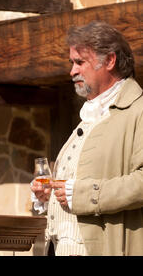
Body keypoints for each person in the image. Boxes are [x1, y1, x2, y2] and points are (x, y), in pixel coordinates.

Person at [31, 20, 143, 256]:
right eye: (72, 63)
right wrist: (51, 196)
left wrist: (80, 194)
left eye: (80, 62)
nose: (72, 71)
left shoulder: (138, 111)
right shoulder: (92, 115)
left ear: (110, 61)